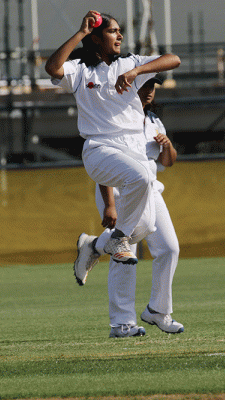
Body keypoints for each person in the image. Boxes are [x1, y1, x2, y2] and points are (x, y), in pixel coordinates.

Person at [44, 12, 181, 292]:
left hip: (133, 148)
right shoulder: (81, 69)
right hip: (99, 147)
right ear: (95, 38)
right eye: (113, 32)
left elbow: (173, 59)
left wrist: (136, 72)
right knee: (143, 178)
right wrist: (81, 32)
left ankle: (95, 245)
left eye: (120, 31)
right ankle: (115, 245)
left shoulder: (131, 62)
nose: (120, 36)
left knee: (143, 229)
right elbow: (52, 68)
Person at [93, 77, 184, 338]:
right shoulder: (115, 117)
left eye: (152, 87)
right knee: (125, 256)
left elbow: (168, 162)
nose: (148, 92)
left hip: (151, 189)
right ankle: (122, 323)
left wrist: (167, 146)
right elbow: (102, 164)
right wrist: (109, 204)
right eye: (143, 86)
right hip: (121, 191)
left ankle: (158, 310)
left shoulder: (153, 120)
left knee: (169, 248)